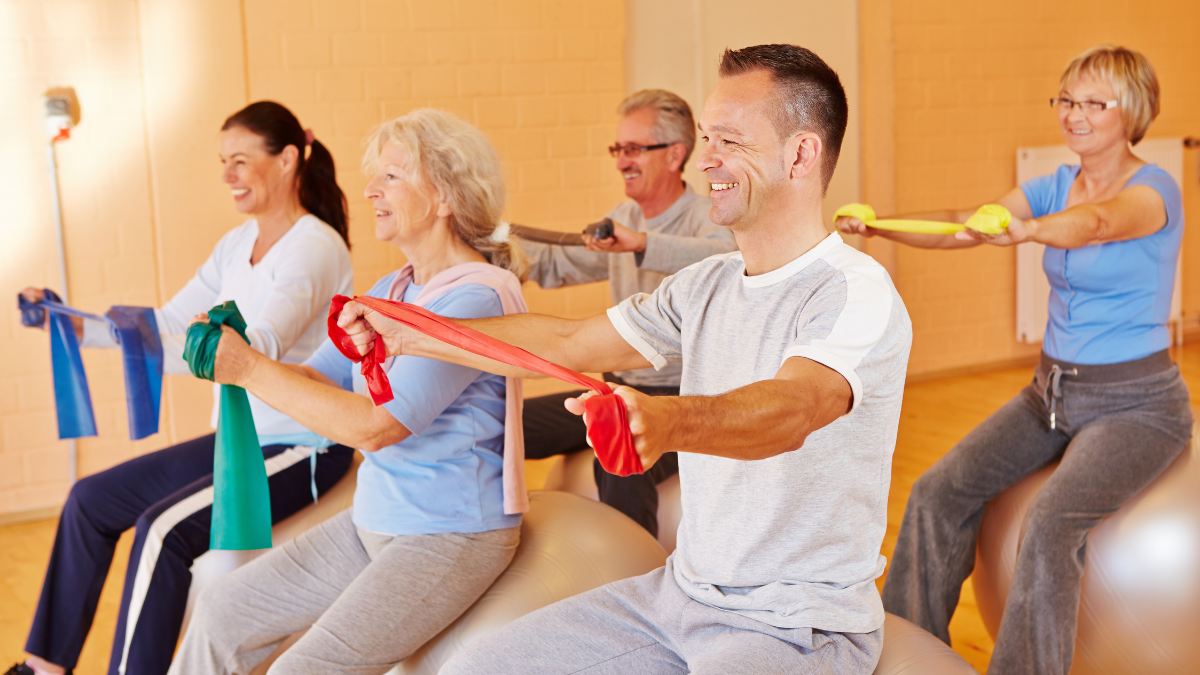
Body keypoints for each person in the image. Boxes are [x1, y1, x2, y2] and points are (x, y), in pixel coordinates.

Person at [337, 44, 912, 675]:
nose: (708, 159)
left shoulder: (853, 288)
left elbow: (794, 409)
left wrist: (667, 423)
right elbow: (565, 343)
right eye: (708, 137)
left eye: (731, 141)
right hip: (677, 597)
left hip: (794, 625)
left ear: (800, 154)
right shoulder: (708, 284)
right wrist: (409, 332)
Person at [836, 45, 1191, 675]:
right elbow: (963, 224)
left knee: (1051, 523)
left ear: (1131, 112)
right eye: (1066, 100)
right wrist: (881, 226)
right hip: (1049, 396)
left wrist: (1029, 230)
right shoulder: (1052, 184)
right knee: (936, 492)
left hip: (1137, 406)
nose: (1074, 115)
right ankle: (905, 653)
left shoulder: (1154, 187)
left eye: (1092, 103)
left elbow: (1101, 223)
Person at [168, 108, 529, 675]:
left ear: (444, 197)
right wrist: (242, 356)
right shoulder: (392, 288)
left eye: (392, 175)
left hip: (450, 534)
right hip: (376, 520)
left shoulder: (478, 298)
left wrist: (248, 370)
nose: (369, 190)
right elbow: (315, 376)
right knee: (221, 610)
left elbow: (376, 426)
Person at [9, 101, 356, 675]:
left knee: (160, 532)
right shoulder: (236, 244)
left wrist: (206, 343)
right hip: (239, 441)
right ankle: (43, 669)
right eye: (223, 162)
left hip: (303, 445)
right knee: (88, 501)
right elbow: (167, 324)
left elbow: (257, 348)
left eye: (241, 161)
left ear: (288, 159)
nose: (227, 176)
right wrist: (69, 324)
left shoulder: (314, 246)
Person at [520, 89, 736, 537]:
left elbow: (727, 258)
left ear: (675, 154)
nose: (621, 161)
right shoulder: (624, 217)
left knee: (621, 463)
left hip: (680, 401)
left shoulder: (705, 217)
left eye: (634, 148)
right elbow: (562, 263)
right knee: (505, 425)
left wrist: (641, 243)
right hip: (613, 393)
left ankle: (635, 586)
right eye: (618, 149)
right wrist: (496, 252)